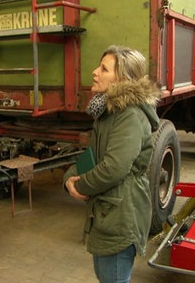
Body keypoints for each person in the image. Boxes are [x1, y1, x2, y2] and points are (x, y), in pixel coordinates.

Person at [63, 45, 161, 283]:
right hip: (109, 213)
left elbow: (114, 167)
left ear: (122, 79)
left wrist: (81, 185)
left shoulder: (130, 116)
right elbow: (92, 157)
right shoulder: (110, 113)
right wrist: (70, 177)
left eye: (104, 69)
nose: (95, 72)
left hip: (121, 216)